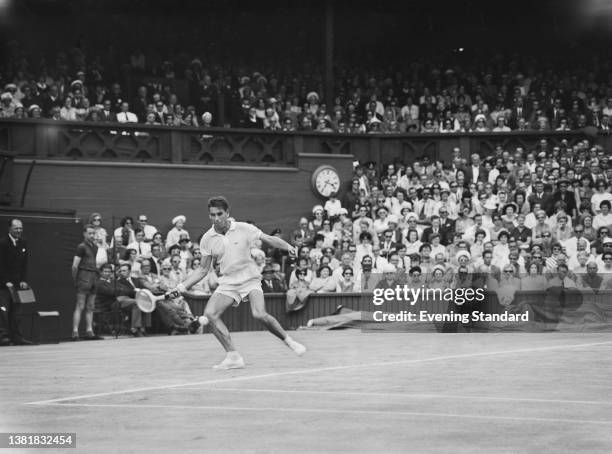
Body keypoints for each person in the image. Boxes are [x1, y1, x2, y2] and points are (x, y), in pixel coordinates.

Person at [169, 196, 306, 369]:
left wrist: (288, 247)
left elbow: (268, 239)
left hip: (250, 278)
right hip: (228, 282)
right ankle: (233, 356)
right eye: (212, 215)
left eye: (220, 214)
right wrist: (181, 287)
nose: (216, 218)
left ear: (228, 213)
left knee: (259, 314)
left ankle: (289, 341)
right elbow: (202, 270)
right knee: (210, 314)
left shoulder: (244, 228)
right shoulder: (207, 239)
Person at [0, 219, 32, 345]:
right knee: (3, 310)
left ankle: (17, 337)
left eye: (20, 228)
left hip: (18, 285)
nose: (19, 231)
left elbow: (24, 264)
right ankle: (3, 337)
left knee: (17, 312)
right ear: (10, 229)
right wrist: (5, 281)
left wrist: (24, 280)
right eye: (16, 228)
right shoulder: (2, 243)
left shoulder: (23, 243)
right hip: (3, 286)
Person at [71, 224, 104, 341]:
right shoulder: (81, 247)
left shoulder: (95, 247)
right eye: (89, 233)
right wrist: (76, 279)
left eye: (93, 233)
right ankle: (75, 332)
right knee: (80, 305)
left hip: (93, 278)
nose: (92, 235)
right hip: (83, 277)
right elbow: (75, 266)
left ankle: (90, 331)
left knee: (90, 306)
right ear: (84, 234)